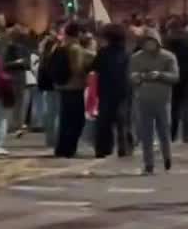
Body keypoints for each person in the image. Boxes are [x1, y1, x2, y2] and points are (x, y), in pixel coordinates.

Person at [129, 31, 179, 175]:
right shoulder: (136, 58)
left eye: (152, 42)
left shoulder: (168, 57)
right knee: (146, 134)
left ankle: (167, 157)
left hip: (163, 100)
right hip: (143, 99)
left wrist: (160, 75)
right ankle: (148, 163)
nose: (149, 45)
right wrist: (139, 77)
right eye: (146, 42)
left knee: (164, 131)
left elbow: (175, 76)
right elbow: (131, 76)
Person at [90, 24, 133, 158]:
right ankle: (124, 148)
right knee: (123, 121)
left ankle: (103, 149)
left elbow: (93, 68)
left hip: (106, 91)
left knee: (104, 122)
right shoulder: (127, 54)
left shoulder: (103, 53)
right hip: (124, 90)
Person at [53, 23, 93, 158]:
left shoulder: (61, 46)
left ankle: (61, 148)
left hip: (63, 86)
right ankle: (69, 149)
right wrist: (86, 76)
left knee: (65, 119)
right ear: (78, 33)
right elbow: (77, 68)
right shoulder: (75, 48)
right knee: (76, 120)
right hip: (74, 87)